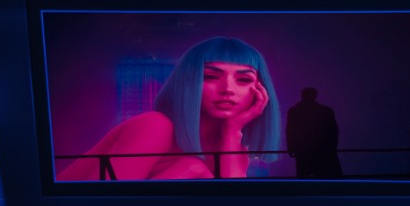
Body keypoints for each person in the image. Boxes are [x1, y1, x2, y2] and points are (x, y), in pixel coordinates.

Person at [57, 37, 282, 181]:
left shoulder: (232, 145)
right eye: (211, 77)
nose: (228, 90)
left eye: (243, 80)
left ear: (260, 90)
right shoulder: (155, 125)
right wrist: (190, 170)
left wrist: (232, 130)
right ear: (188, 82)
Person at [285, 86, 343, 179]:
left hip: (303, 149)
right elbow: (333, 132)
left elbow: (290, 131)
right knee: (323, 175)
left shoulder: (294, 112)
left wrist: (291, 147)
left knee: (304, 175)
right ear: (315, 96)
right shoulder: (325, 111)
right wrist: (332, 148)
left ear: (302, 96)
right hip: (322, 149)